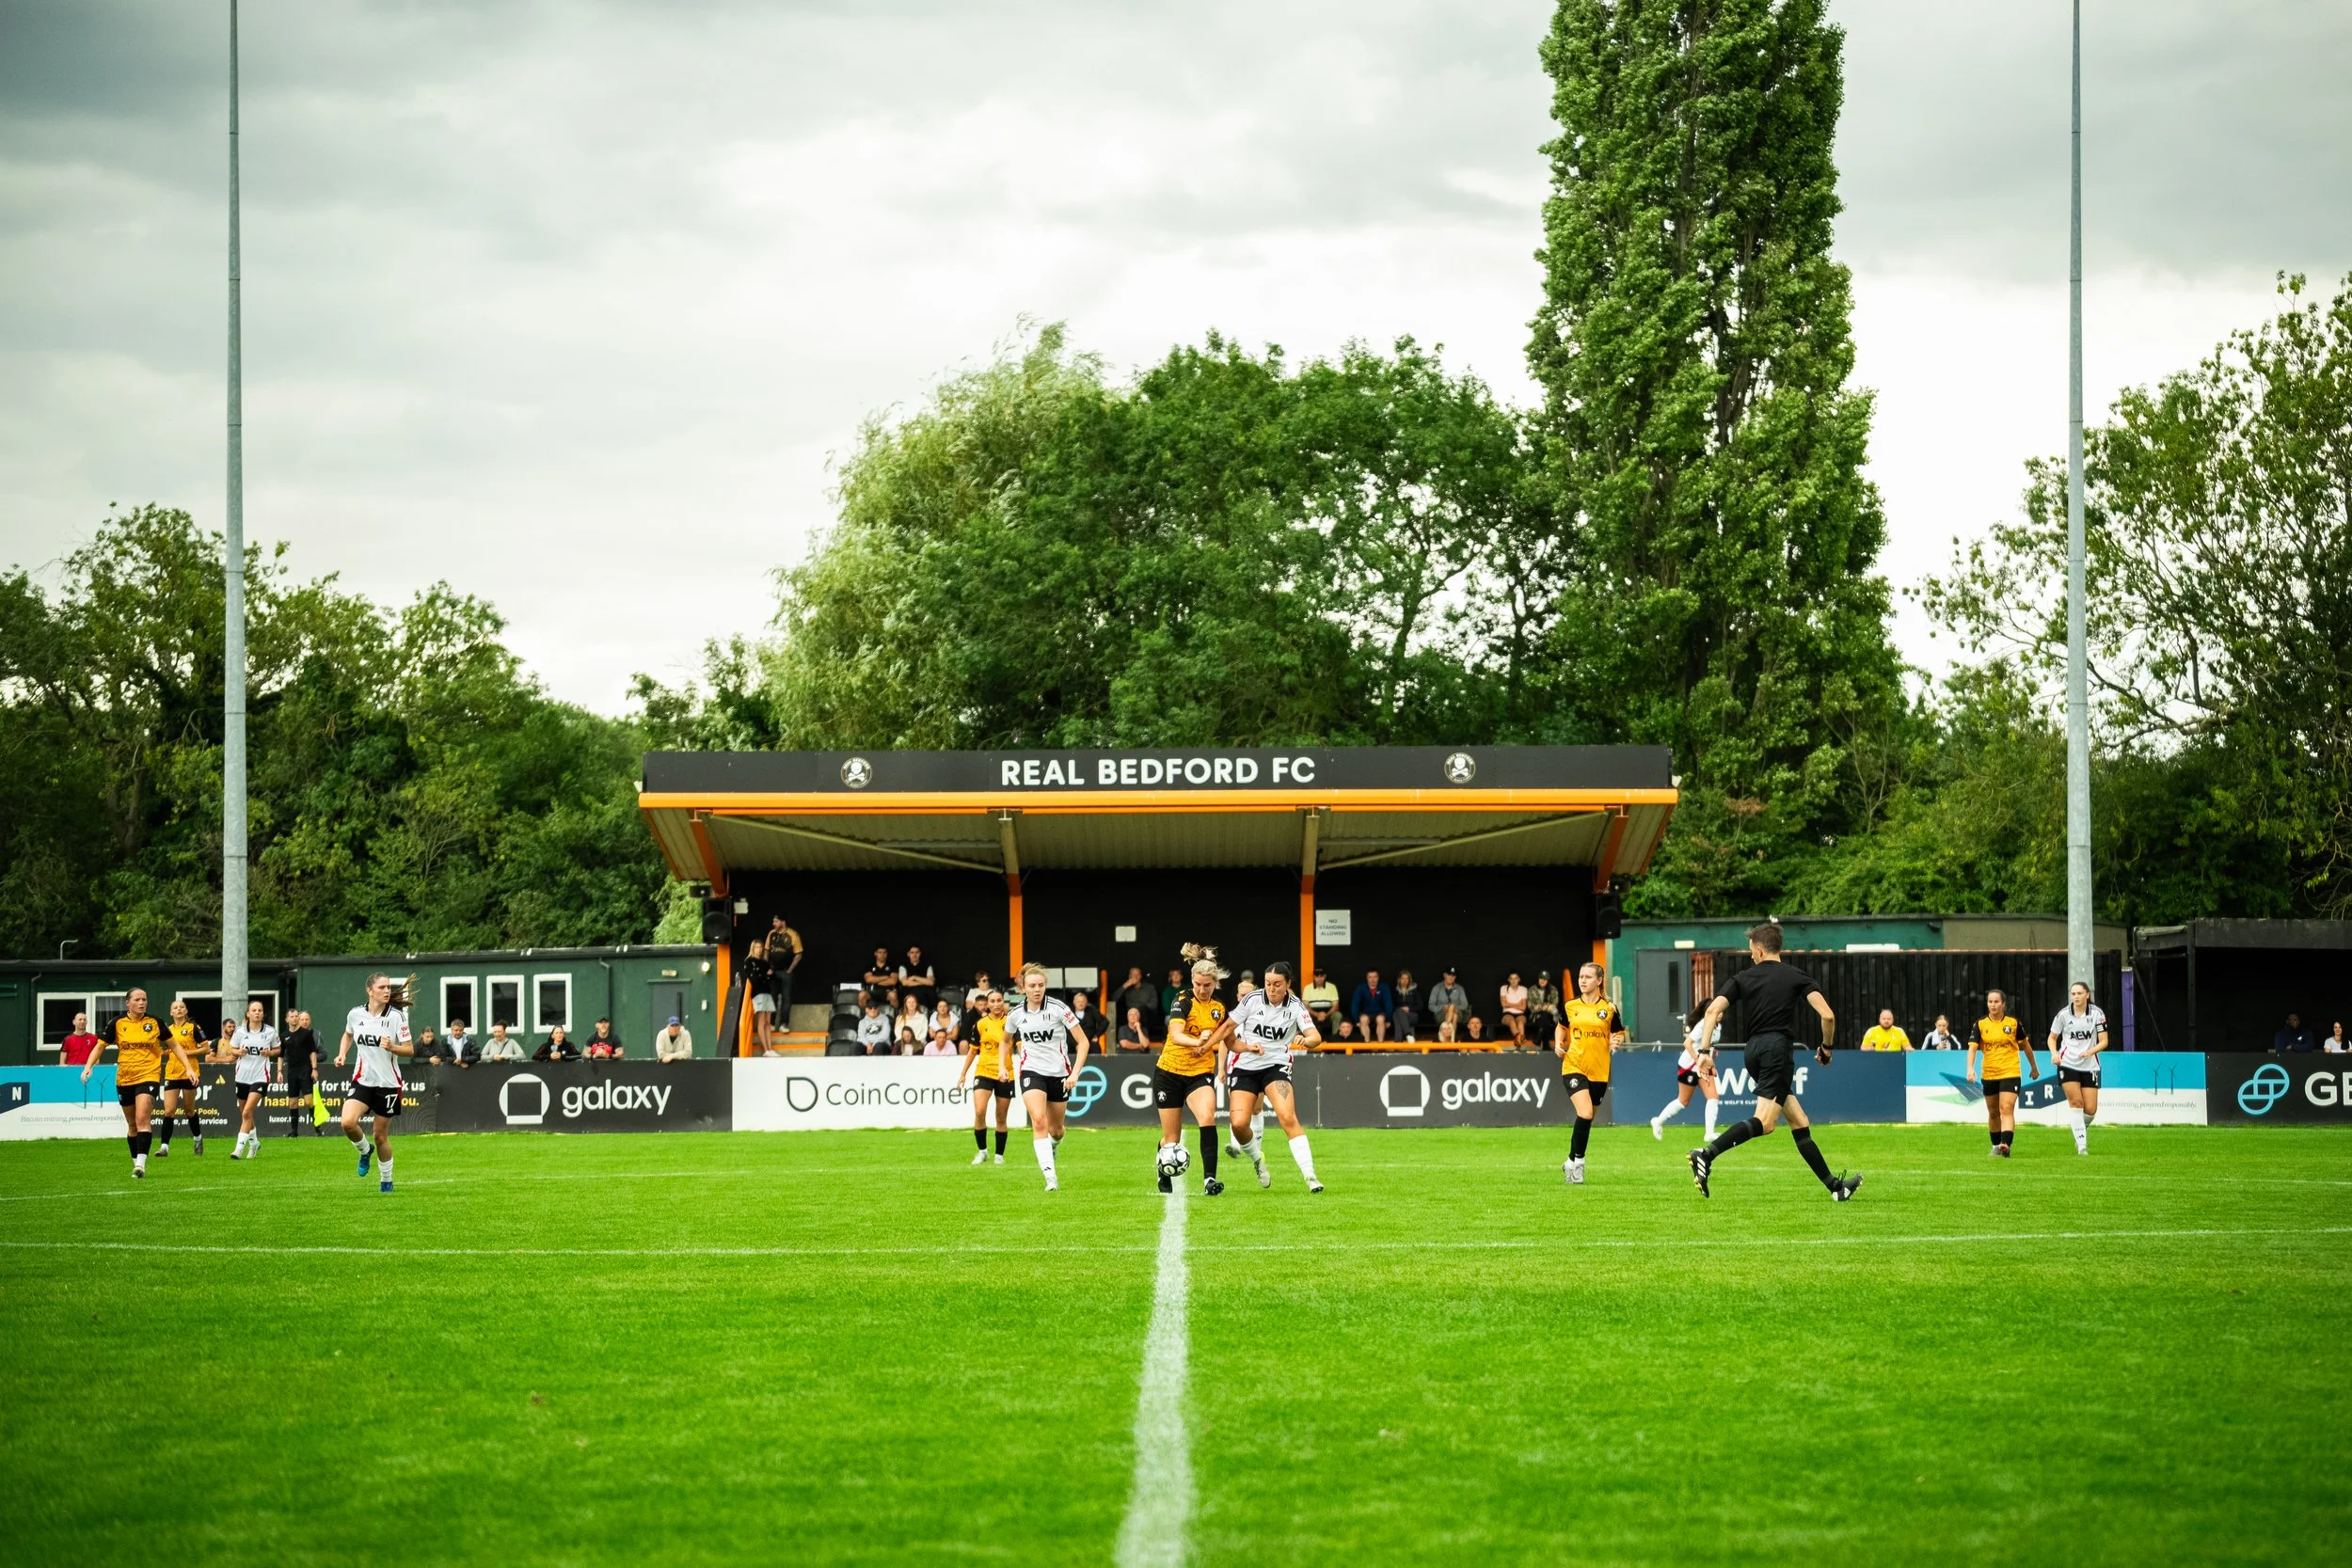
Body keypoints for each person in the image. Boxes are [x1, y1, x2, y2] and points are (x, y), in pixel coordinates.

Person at [1687, 924, 1861, 1203]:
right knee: (1766, 1123)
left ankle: (1835, 1187)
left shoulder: (1742, 977)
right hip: (1776, 1050)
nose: (1750, 956)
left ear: (1758, 948)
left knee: (1799, 1121)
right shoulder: (1795, 976)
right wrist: (1826, 1048)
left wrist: (1705, 1051)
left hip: (1753, 1051)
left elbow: (1712, 1010)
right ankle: (1705, 1154)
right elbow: (1827, 1016)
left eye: (1750, 951)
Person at [1226, 959, 1325, 1193]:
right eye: (1269, 984)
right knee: (1239, 1125)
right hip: (1246, 1066)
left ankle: (1310, 1176)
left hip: (1276, 1065)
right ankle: (1258, 1160)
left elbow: (1315, 1037)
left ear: (1288, 984)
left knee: (1287, 1117)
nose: (1272, 989)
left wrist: (1305, 1040)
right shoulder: (1252, 999)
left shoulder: (1296, 1007)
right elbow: (1228, 1029)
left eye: (1277, 984)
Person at [1152, 946, 1232, 1195]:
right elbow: (1175, 1035)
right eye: (1197, 984)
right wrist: (1200, 1042)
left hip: (1199, 1072)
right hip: (1170, 1072)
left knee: (1207, 1117)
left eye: (1206, 985)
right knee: (1171, 1140)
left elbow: (1231, 1040)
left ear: (1214, 983)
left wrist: (1251, 1047)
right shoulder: (1183, 1000)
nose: (1201, 989)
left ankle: (1210, 1180)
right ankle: (1162, 1169)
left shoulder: (1218, 1008)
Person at [83, 988, 187, 1177]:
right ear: (128, 1003)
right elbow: (100, 1047)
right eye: (138, 999)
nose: (142, 1003)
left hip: (149, 1074)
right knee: (132, 1125)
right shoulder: (117, 1023)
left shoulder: (155, 1022)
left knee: (142, 1119)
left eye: (144, 999)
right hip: (125, 1077)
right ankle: (135, 1161)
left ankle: (140, 1165)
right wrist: (88, 1066)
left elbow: (174, 1046)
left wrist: (187, 1067)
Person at [1006, 962, 1089, 1192]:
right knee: (1039, 1120)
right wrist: (1004, 1066)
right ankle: (1050, 1178)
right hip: (1031, 1071)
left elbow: (1083, 1042)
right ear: (1023, 987)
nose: (1037, 989)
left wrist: (1075, 1073)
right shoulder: (1015, 1014)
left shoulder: (1059, 1008)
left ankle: (1053, 1146)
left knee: (1057, 1129)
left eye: (1041, 985)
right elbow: (1006, 1040)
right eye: (1032, 985)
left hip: (1059, 1074)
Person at [334, 973, 416, 1193]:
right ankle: (363, 1150)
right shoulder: (355, 1014)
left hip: (388, 1083)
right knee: (347, 1123)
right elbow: (348, 1034)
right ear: (369, 991)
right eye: (382, 987)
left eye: (389, 987)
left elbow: (409, 1049)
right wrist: (342, 1054)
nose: (387, 991)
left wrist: (393, 1047)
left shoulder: (397, 1017)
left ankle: (386, 1181)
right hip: (363, 1080)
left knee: (380, 1136)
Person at [1553, 963, 1625, 1185]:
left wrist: (1616, 1041)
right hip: (1573, 1065)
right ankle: (1579, 1165)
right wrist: (1558, 1042)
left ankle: (1570, 1160)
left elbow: (1618, 1034)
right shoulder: (1571, 1005)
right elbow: (1561, 1027)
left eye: (1588, 977)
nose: (1582, 980)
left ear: (1599, 980)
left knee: (1587, 1119)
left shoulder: (1610, 1009)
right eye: (1580, 976)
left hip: (1599, 1072)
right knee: (1584, 1113)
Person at [1967, 989, 2037, 1158]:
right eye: (1990, 1002)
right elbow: (1973, 1048)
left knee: (2006, 1107)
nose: (1993, 1005)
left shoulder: (2013, 1024)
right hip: (1989, 1073)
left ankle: (2005, 1144)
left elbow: (2026, 1047)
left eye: (1996, 1002)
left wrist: (2034, 1067)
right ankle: (1995, 1145)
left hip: (2010, 1071)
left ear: (2003, 1004)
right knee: (1993, 1112)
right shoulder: (1980, 1024)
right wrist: (1970, 1068)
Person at [2048, 981, 2108, 1156]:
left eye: (2079, 993)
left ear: (2087, 995)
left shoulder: (2097, 1014)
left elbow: (2104, 1041)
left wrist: (2091, 1051)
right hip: (2068, 1063)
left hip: (2090, 1064)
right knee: (2076, 1103)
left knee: (2090, 1109)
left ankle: (2078, 1129)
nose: (2076, 997)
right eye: (2073, 994)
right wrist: (2054, 1053)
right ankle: (2082, 1147)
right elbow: (2052, 1038)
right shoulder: (2063, 1015)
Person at [956, 990, 1014, 1165]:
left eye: (999, 1000)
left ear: (1003, 1002)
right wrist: (963, 1074)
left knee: (1001, 1116)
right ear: (987, 1004)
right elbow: (973, 1050)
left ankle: (999, 1156)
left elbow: (1022, 1046)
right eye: (992, 1001)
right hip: (984, 1071)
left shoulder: (1012, 1023)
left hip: (1006, 1073)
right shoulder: (980, 1024)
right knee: (980, 1111)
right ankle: (982, 1152)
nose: (996, 1004)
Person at [1649, 1005, 1722, 1145]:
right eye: (1717, 1011)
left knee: (1713, 1097)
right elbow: (1687, 1043)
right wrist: (1697, 1059)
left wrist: (1711, 1063)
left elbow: (1710, 1047)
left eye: (1721, 1011)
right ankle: (1658, 1121)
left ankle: (1709, 1133)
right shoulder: (1703, 1024)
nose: (1720, 1014)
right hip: (1688, 1066)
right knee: (1683, 1101)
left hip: (1703, 1068)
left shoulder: (1718, 1027)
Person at [225, 1000, 278, 1161]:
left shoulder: (270, 1031)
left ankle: (238, 1149)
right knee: (245, 1114)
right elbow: (231, 1048)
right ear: (248, 1013)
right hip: (242, 1076)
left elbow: (278, 1049)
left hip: (260, 1076)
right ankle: (254, 1143)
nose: (257, 1013)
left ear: (263, 1014)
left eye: (260, 1010)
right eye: (254, 1010)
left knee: (248, 1112)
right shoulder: (240, 1031)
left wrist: (270, 1052)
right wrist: (238, 1052)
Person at [157, 996, 207, 1157]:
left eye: (181, 1007)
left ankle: (198, 1138)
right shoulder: (167, 1029)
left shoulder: (193, 1027)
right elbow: (168, 1051)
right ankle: (164, 1147)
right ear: (171, 1012)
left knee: (189, 1110)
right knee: (169, 1110)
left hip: (189, 1072)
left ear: (186, 1011)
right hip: (172, 1073)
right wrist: (161, 1054)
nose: (179, 1009)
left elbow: (206, 1049)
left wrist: (187, 1053)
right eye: (175, 1007)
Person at [279, 1010, 320, 1135]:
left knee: (309, 1100)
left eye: (297, 1016)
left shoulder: (306, 1034)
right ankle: (294, 1131)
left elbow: (312, 1051)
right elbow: (280, 1055)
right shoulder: (283, 1036)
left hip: (305, 1069)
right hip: (292, 1071)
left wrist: (314, 1069)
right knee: (292, 1102)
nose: (295, 1018)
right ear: (287, 1019)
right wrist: (279, 1071)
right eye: (292, 1016)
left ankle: (317, 1128)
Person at [767, 912, 805, 1027]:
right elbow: (766, 951)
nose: (774, 923)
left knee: (786, 998)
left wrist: (790, 969)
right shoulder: (772, 934)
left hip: (785, 971)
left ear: (783, 922)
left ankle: (784, 1024)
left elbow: (798, 954)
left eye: (776, 921)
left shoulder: (793, 935)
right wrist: (767, 967)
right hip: (772, 970)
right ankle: (771, 1024)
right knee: (772, 996)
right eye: (774, 921)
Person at [744, 940, 778, 1054]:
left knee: (768, 1021)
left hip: (767, 991)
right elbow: (753, 978)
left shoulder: (764, 962)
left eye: (760, 947)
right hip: (758, 993)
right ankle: (766, 1049)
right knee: (762, 1020)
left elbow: (771, 976)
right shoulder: (749, 961)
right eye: (757, 947)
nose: (759, 949)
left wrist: (765, 975)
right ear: (753, 948)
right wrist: (764, 975)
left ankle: (770, 1048)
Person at [1350, 970, 1392, 1043]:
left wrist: (1388, 1020)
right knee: (1363, 1019)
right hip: (1365, 1013)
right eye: (1370, 977)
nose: (1373, 979)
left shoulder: (1384, 987)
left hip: (1380, 1013)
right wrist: (1356, 1020)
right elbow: (1355, 1004)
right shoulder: (1361, 987)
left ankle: (1380, 1045)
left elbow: (1389, 1004)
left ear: (1378, 978)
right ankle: (1366, 1045)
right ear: (1367, 978)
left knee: (1380, 1019)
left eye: (1375, 977)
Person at [1426, 967, 1470, 1036]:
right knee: (1454, 1016)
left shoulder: (1459, 988)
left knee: (1452, 1008)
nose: (1451, 977)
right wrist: (1443, 1007)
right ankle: (1452, 1040)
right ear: (1444, 975)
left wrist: (1454, 1007)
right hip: (1441, 1013)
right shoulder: (1437, 988)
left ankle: (1444, 1034)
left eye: (1453, 976)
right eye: (1449, 975)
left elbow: (1465, 1005)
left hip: (1458, 1012)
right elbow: (1431, 1006)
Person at [1527, 971, 1562, 1049]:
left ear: (1548, 980)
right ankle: (1546, 1045)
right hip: (1535, 1016)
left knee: (1546, 1017)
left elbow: (1554, 1005)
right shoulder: (1532, 989)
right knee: (1545, 1018)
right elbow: (1531, 1007)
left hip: (1551, 1015)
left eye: (1545, 979)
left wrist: (1540, 1007)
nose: (1543, 981)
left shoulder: (1553, 989)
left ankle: (1539, 1037)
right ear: (1538, 979)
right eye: (1541, 979)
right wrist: (1545, 1007)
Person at [863, 948, 901, 1012]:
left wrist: (875, 980)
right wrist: (886, 977)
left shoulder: (892, 966)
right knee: (862, 994)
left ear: (887, 954)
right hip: (872, 992)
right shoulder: (870, 966)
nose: (882, 954)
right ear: (875, 953)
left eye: (884, 952)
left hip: (887, 992)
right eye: (880, 952)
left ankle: (896, 1015)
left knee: (893, 995)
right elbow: (868, 980)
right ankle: (863, 1015)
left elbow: (893, 981)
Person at [1302, 967, 1340, 1031]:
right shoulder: (1307, 988)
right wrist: (1316, 1014)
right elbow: (1305, 1006)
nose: (1319, 978)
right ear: (1314, 977)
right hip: (1312, 1013)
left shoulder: (1332, 987)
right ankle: (1309, 1038)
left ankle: (1335, 1038)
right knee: (1304, 1015)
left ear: (1325, 976)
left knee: (1338, 1015)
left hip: (1328, 1013)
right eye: (1317, 976)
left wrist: (1326, 1015)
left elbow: (1335, 1005)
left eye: (1321, 976)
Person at [1500, 972, 1531, 1048]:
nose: (1513, 980)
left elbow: (1523, 1007)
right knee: (1511, 1021)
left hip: (1520, 1014)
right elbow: (1503, 1004)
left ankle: (1519, 1044)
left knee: (1520, 1022)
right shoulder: (1504, 988)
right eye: (1511, 978)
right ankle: (1521, 1037)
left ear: (1519, 979)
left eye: (1515, 978)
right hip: (1507, 1013)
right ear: (1508, 980)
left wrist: (1509, 1003)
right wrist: (1518, 1004)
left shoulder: (1523, 989)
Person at [1390, 969, 1422, 1043]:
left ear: (1409, 980)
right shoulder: (1395, 991)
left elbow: (1420, 1006)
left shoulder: (1414, 991)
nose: (1404, 981)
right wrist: (1401, 1010)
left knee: (1397, 1014)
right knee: (1397, 1013)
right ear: (1399, 980)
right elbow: (1392, 1006)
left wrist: (1409, 1008)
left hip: (1412, 1015)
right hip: (1399, 1015)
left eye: (1407, 979)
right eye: (1403, 978)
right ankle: (1405, 1038)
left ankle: (1404, 1036)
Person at [900, 946, 936, 1011]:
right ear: (908, 954)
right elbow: (905, 982)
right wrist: (924, 982)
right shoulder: (903, 966)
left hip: (925, 993)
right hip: (909, 991)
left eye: (917, 952)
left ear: (920, 954)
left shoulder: (927, 966)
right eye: (912, 952)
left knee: (931, 994)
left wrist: (914, 977)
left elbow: (931, 982)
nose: (914, 955)